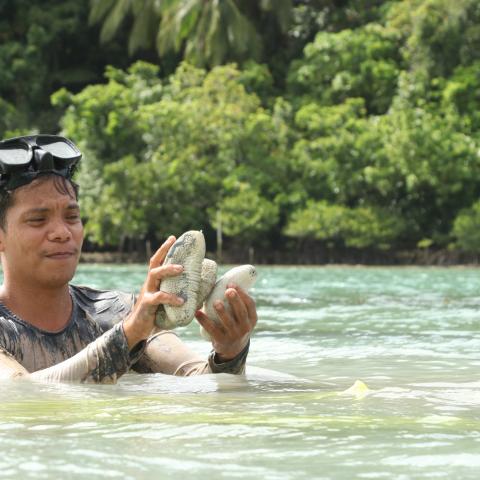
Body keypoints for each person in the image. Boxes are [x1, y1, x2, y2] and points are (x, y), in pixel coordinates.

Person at [0, 134, 257, 383]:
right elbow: (24, 390)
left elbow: (197, 380)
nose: (61, 232)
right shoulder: (130, 322)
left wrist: (230, 351)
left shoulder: (117, 313)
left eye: (71, 217)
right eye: (37, 220)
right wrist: (131, 332)